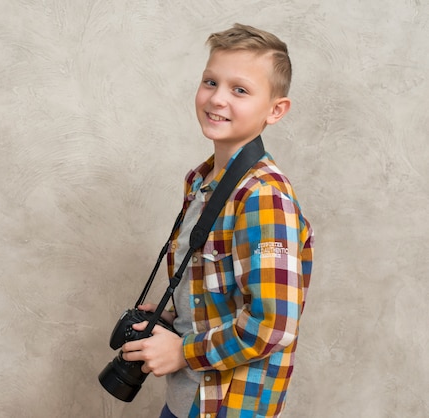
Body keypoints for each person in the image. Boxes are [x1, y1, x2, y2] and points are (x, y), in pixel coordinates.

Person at [121, 23, 315, 418]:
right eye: (210, 82)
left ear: (276, 110)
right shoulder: (202, 180)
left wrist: (182, 351)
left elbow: (272, 325)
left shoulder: (263, 198)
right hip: (187, 397)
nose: (217, 98)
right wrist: (171, 313)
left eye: (239, 90)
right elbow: (218, 283)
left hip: (228, 404)